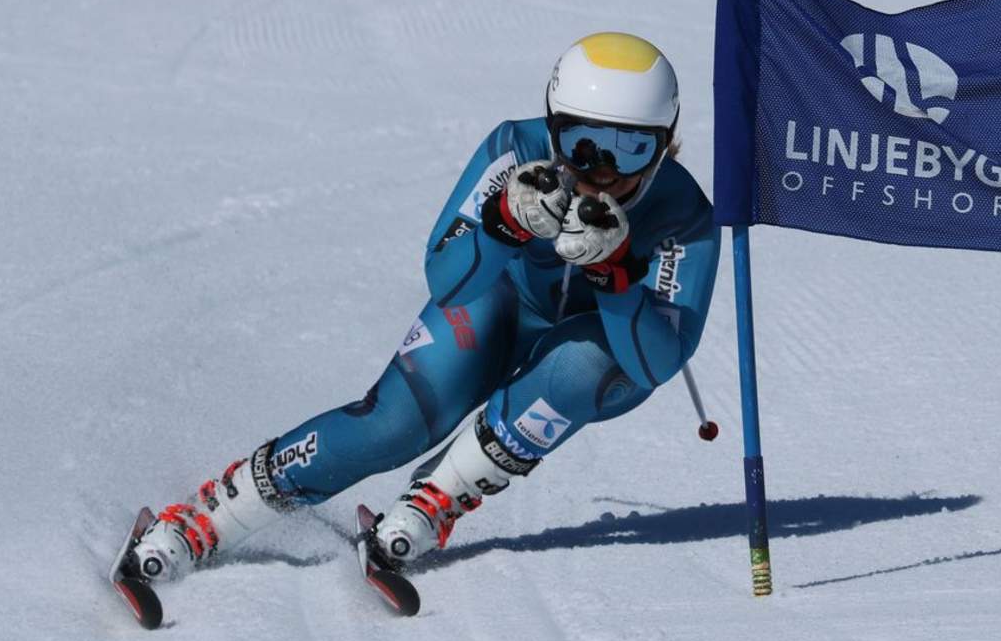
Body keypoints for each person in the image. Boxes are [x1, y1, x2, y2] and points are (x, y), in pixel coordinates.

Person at [122, 33, 719, 586]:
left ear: (663, 145)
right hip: (497, 306)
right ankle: (214, 515)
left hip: (596, 346)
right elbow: (446, 279)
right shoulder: (517, 149)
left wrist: (616, 274)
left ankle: (438, 496)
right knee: (393, 426)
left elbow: (655, 364)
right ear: (552, 126)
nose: (602, 174)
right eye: (582, 145)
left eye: (630, 149)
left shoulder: (685, 214)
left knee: (589, 365)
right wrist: (503, 224)